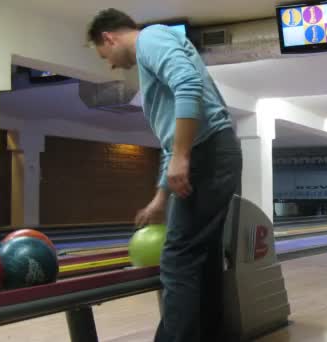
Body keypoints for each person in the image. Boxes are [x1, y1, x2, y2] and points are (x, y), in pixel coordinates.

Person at [86, 8, 243, 342]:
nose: (111, 64)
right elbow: (172, 142)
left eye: (105, 56)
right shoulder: (150, 57)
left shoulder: (152, 38)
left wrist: (184, 155)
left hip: (208, 153)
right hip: (211, 152)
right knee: (203, 257)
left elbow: (188, 86)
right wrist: (160, 198)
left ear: (108, 37)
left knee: (178, 258)